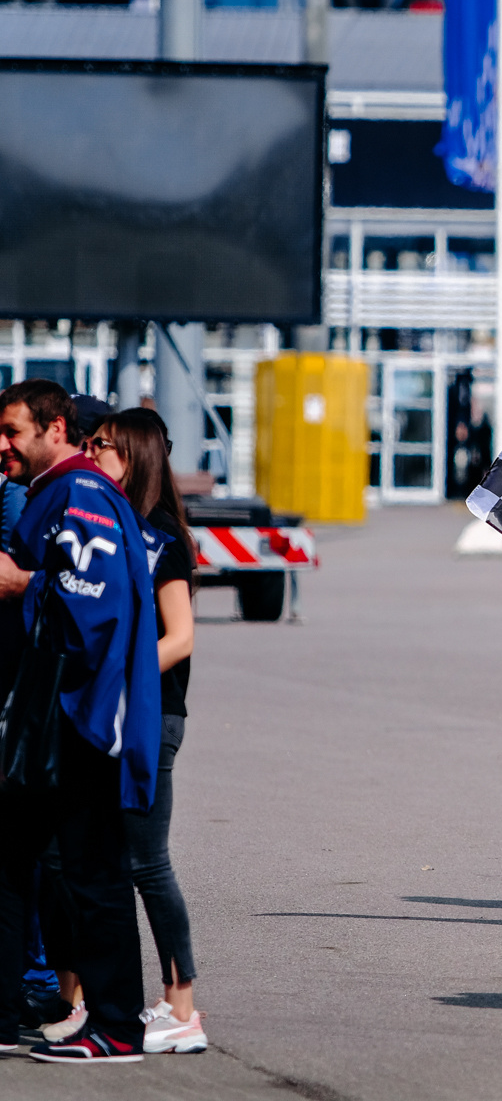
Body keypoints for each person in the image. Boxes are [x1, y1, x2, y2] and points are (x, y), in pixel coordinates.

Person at [0, 380, 163, 1062]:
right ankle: (8, 1015)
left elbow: (95, 603)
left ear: (55, 429)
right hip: (46, 722)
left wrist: (24, 584)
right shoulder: (53, 494)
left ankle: (119, 1024)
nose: (2, 445)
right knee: (12, 859)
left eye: (13, 431)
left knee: (94, 873)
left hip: (89, 721)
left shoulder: (81, 494)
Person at [87, 410, 206, 1053]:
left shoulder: (162, 535)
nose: (92, 452)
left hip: (150, 715)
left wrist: (116, 671)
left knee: (147, 862)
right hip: (115, 712)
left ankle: (182, 1005)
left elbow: (180, 637)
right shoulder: (113, 523)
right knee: (105, 858)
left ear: (131, 454)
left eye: (100, 445)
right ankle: (94, 998)